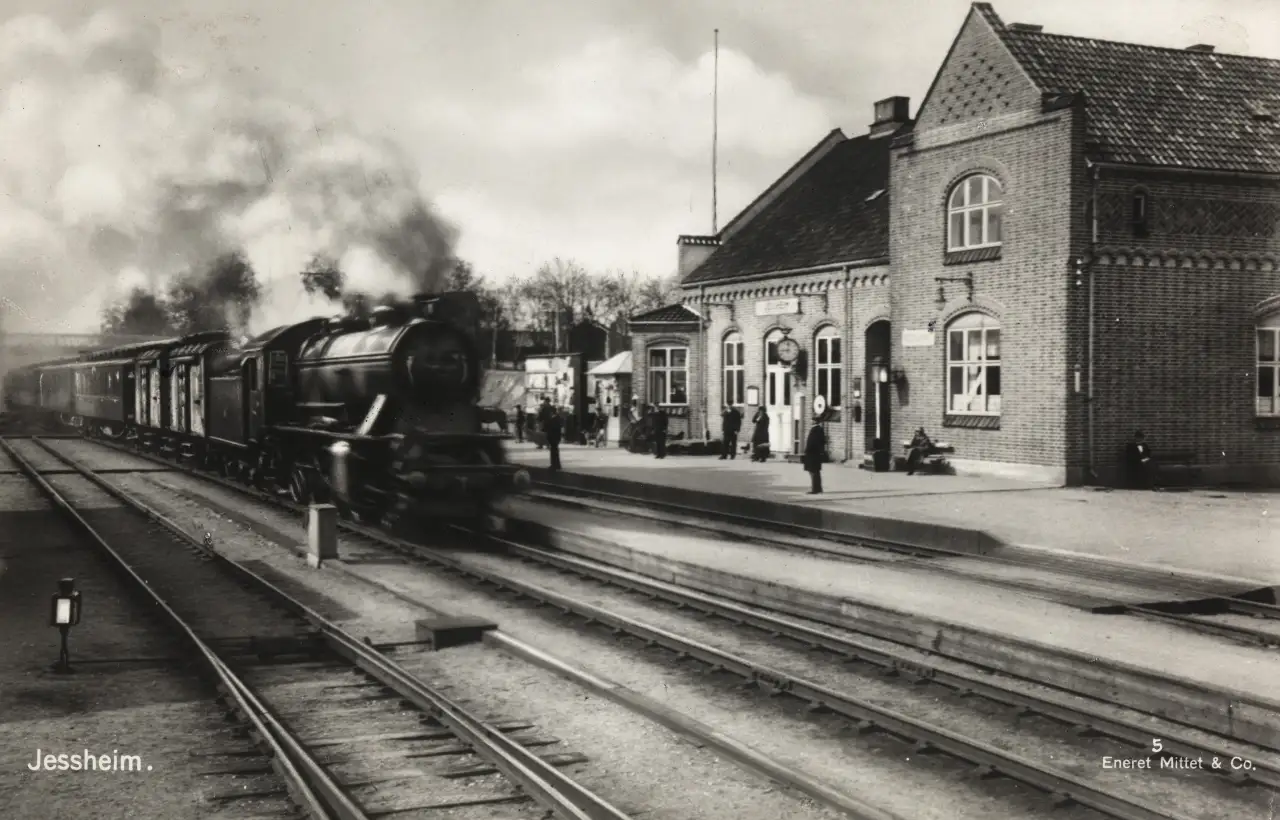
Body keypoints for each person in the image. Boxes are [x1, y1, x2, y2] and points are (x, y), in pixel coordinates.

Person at [802, 417, 827, 494]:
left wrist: (807, 450)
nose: (811, 421)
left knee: (813, 471)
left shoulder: (816, 430)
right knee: (815, 471)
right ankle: (818, 488)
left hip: (813, 454)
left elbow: (813, 442)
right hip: (815, 454)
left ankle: (815, 489)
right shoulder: (818, 429)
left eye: (813, 420)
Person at [545, 406, 563, 471]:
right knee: (556, 451)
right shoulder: (558, 418)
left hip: (553, 437)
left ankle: (554, 465)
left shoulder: (553, 419)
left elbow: (551, 429)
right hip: (557, 437)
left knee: (553, 451)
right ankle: (557, 464)